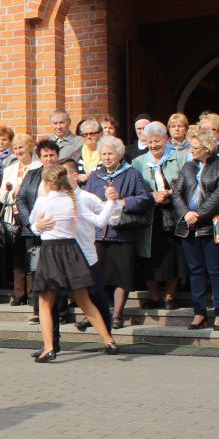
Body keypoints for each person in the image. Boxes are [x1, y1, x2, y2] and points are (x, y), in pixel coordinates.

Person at [29, 164, 119, 361]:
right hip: (71, 251)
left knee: (45, 302)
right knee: (85, 300)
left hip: (51, 251)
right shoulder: (73, 201)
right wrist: (111, 202)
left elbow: (33, 225)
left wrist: (38, 225)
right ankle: (108, 340)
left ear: (47, 183)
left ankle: (49, 347)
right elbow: (100, 221)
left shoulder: (43, 201)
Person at [84, 136, 152, 328]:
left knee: (122, 277)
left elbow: (145, 198)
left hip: (122, 234)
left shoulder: (132, 174)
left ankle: (117, 315)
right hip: (98, 234)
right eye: (103, 154)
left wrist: (123, 201)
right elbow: (87, 200)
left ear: (119, 155)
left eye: (110, 154)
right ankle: (96, 314)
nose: (106, 157)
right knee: (96, 277)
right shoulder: (95, 176)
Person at [172, 126, 219, 331]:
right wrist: (186, 214)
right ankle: (199, 312)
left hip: (212, 225)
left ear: (208, 148)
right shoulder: (188, 167)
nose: (191, 150)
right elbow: (177, 193)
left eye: (195, 147)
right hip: (189, 227)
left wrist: (198, 214)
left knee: (216, 270)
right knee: (195, 270)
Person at [131, 122, 185, 310]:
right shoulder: (138, 162)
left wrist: (171, 193)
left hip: (174, 213)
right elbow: (135, 189)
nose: (153, 145)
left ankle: (169, 296)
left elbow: (188, 183)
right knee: (150, 258)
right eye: (149, 142)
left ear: (166, 139)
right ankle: (154, 296)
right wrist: (152, 195)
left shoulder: (179, 157)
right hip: (150, 217)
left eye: (157, 141)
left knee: (174, 256)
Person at [17, 140, 60, 328]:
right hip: (34, 231)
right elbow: (20, 198)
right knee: (35, 271)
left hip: (57, 232)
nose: (49, 159)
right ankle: (37, 310)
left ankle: (60, 310)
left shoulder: (63, 175)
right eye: (45, 155)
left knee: (57, 270)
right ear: (39, 158)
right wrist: (31, 222)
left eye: (52, 155)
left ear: (57, 156)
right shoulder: (32, 175)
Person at [0, 132, 41, 305]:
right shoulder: (9, 169)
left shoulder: (39, 166)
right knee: (17, 257)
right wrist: (13, 194)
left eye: (21, 147)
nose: (18, 151)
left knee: (32, 254)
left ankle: (32, 294)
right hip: (14, 217)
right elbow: (1, 195)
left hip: (32, 216)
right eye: (15, 148)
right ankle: (19, 294)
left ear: (30, 147)